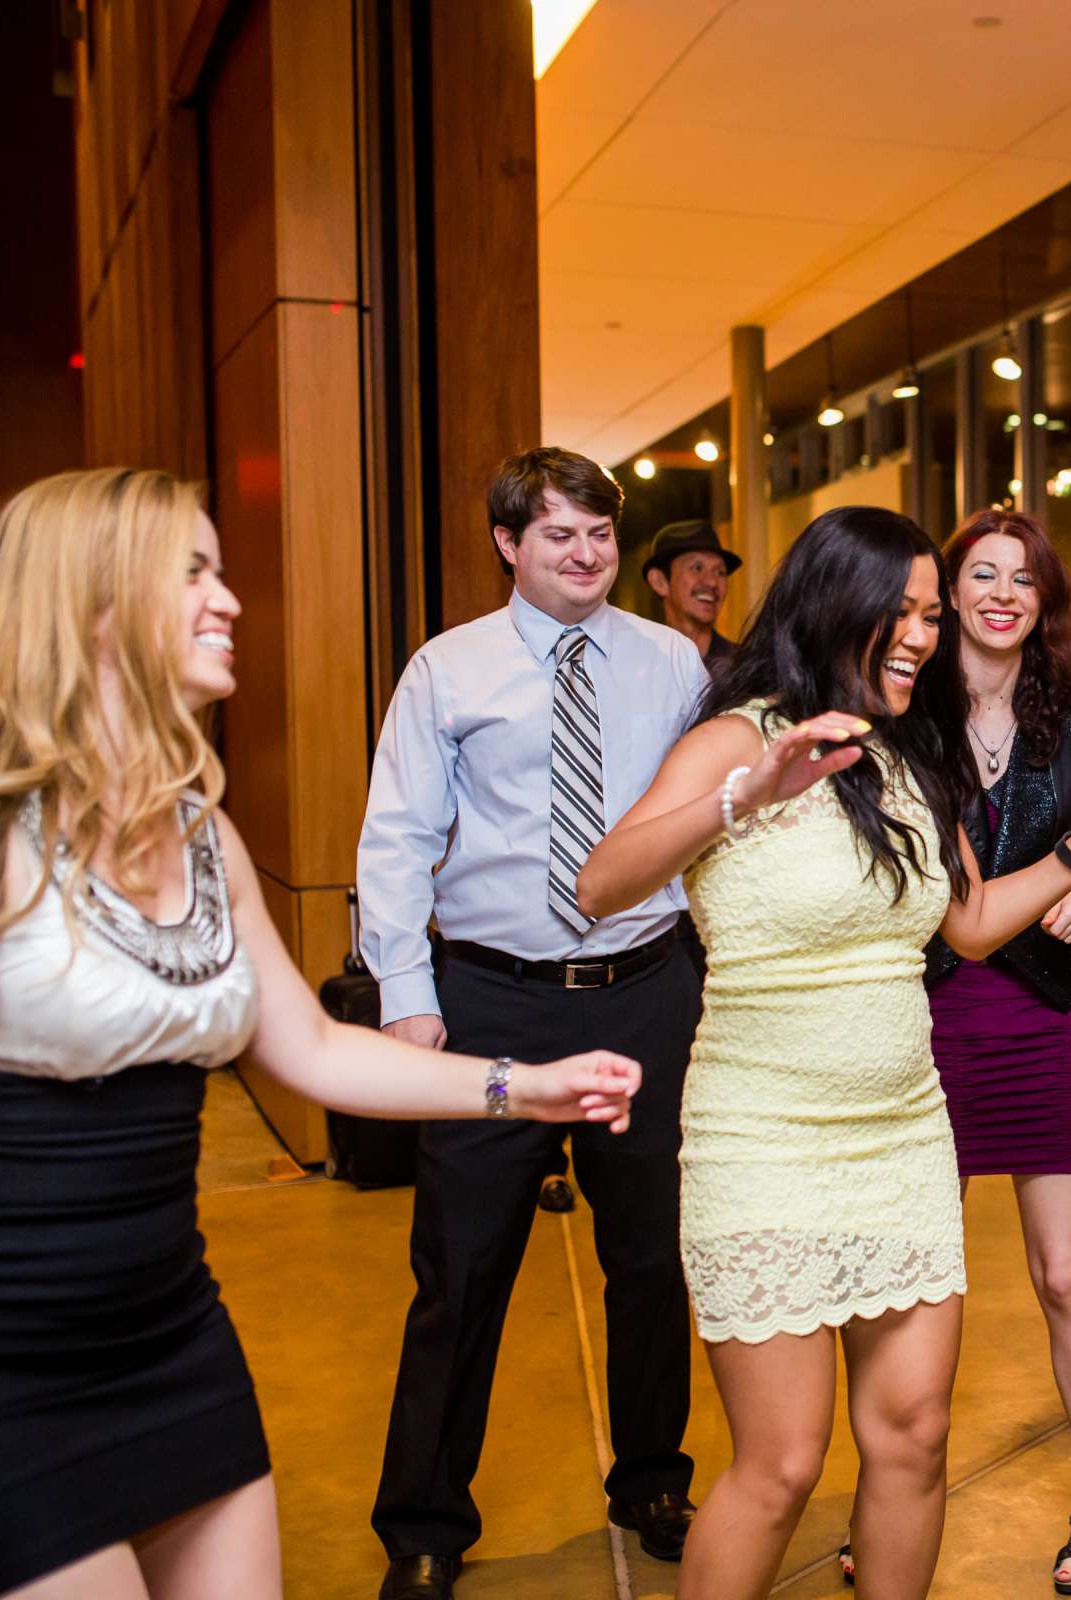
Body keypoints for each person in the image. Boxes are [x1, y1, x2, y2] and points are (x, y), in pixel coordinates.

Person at [0, 467, 640, 1600]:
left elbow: (314, 1051)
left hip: (173, 1337)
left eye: (221, 569)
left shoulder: (199, 831)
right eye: (190, 572)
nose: (228, 598)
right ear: (83, 601)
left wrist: (526, 1086)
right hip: (2, 1370)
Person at [574, 506, 1071, 1600]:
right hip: (763, 1141)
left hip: (899, 1136)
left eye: (930, 616)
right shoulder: (736, 738)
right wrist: (735, 799)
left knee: (914, 1434)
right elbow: (601, 883)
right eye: (901, 611)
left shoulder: (905, 754)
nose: (921, 635)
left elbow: (976, 923)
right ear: (831, 603)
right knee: (783, 1462)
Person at [360, 448, 710, 1600]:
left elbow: (709, 822)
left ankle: (654, 1479)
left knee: (654, 1259)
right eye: (559, 534)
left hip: (649, 988)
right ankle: (422, 1523)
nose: (586, 554)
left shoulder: (673, 663)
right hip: (493, 998)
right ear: (509, 543)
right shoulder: (447, 669)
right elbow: (398, 841)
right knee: (461, 1271)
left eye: (601, 534)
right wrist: (409, 1002)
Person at [923, 509, 1071, 1594]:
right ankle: (897, 1493)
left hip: (1046, 1018)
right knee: (920, 1288)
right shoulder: (903, 713)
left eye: (1024, 578)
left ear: (1044, 601)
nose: (1003, 591)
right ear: (950, 588)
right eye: (982, 572)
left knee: (1063, 1271)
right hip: (929, 1020)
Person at [645, 520, 741, 672]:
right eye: (697, 568)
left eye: (720, 572)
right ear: (660, 582)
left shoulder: (741, 668)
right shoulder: (640, 665)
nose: (712, 582)